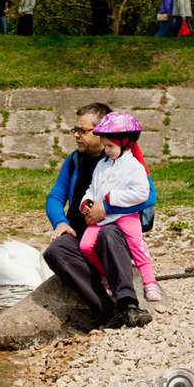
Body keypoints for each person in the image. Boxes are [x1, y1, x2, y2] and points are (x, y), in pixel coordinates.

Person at [43, 103, 155, 328]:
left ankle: (128, 304)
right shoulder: (75, 160)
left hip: (112, 234)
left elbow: (148, 196)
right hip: (81, 236)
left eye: (82, 131)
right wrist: (61, 222)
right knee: (55, 250)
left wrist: (106, 208)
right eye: (74, 130)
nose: (76, 135)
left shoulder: (126, 156)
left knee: (108, 233)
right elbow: (54, 197)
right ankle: (107, 311)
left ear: (101, 131)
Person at [78, 112, 162, 302]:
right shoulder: (102, 165)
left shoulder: (135, 167)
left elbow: (142, 194)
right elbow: (93, 188)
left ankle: (150, 283)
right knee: (85, 246)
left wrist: (112, 198)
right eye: (105, 145)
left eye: (111, 146)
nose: (106, 150)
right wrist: (87, 200)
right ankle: (105, 276)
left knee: (137, 246)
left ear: (126, 143)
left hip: (127, 216)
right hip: (102, 218)